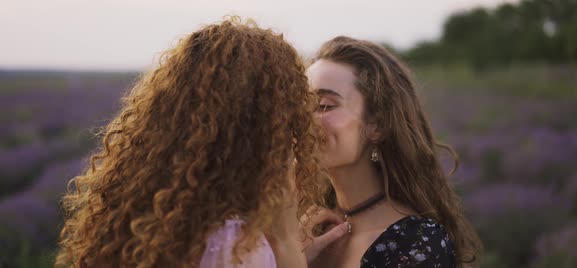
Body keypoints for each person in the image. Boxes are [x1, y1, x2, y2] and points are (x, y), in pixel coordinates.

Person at [55, 18, 348, 268]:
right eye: (291, 112)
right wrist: (286, 247)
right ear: (265, 127)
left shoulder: (152, 220)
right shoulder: (235, 246)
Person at [306, 36, 483, 268]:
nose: (304, 119)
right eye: (300, 104)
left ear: (378, 126)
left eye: (324, 106)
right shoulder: (305, 227)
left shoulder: (416, 245)